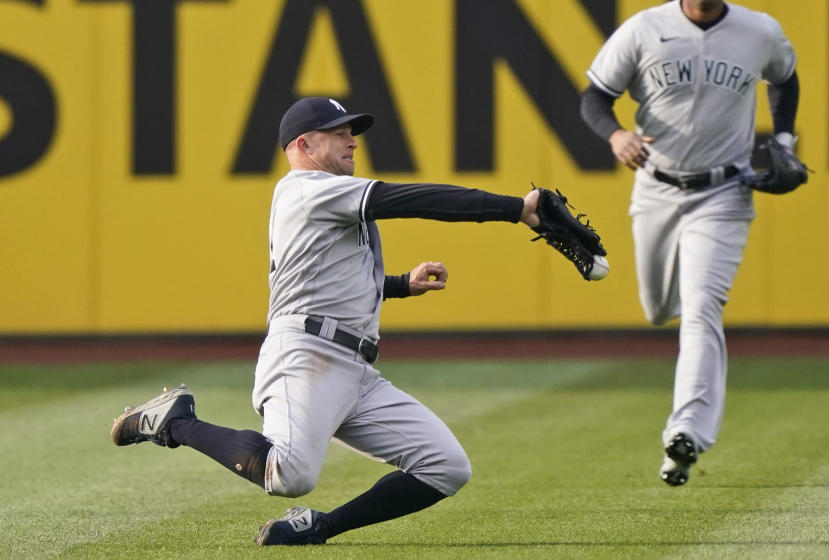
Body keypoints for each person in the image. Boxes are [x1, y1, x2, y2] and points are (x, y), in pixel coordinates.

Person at [111, 96, 547, 545]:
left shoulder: (324, 195)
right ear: (303, 143)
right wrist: (517, 209)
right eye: (338, 133)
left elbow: (327, 275)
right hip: (306, 354)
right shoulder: (307, 188)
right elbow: (414, 198)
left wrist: (398, 284)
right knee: (288, 475)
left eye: (351, 132)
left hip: (354, 368)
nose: (352, 141)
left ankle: (318, 527)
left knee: (445, 466)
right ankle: (175, 422)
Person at [579, 0, 800, 486]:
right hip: (655, 186)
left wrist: (786, 140)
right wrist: (614, 136)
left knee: (701, 309)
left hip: (724, 191)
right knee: (658, 309)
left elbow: (785, 78)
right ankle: (685, 403)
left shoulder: (758, 31)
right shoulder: (645, 29)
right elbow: (595, 98)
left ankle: (687, 435)